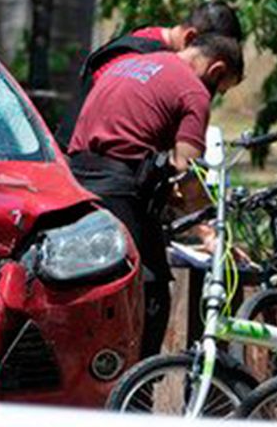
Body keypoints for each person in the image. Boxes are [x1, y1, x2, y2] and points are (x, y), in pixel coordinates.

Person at [65, 33, 245, 356]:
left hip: (74, 183)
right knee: (152, 294)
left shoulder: (130, 63)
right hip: (120, 192)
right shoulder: (193, 91)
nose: (214, 96)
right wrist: (211, 233)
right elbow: (185, 173)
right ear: (216, 70)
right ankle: (137, 389)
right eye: (220, 89)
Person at [56, 0, 243, 150]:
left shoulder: (150, 46)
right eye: (208, 49)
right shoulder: (135, 58)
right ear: (191, 39)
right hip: (81, 167)